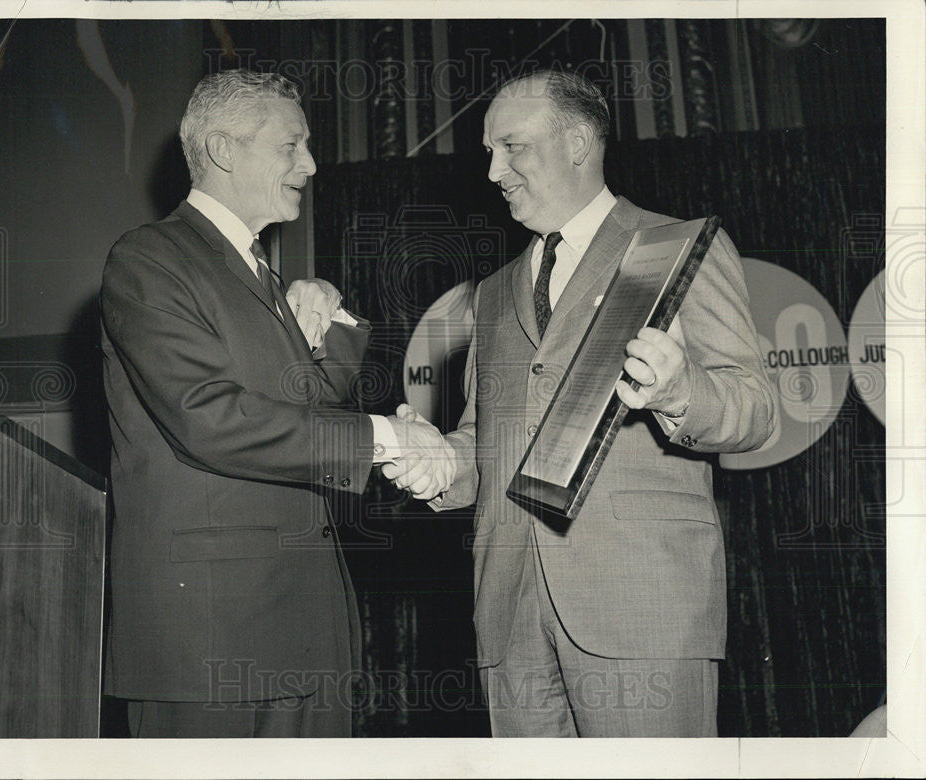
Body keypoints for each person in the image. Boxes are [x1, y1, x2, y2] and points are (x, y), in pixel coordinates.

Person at [384, 69, 778, 737]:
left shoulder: (674, 247)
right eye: (488, 152)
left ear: (577, 144)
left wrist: (682, 393)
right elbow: (488, 440)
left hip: (641, 609)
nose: (492, 172)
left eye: (512, 148)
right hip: (511, 617)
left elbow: (758, 411)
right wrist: (442, 463)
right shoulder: (494, 292)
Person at [100, 69, 447, 738]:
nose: (311, 164)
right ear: (225, 150)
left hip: (303, 638)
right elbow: (209, 419)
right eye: (292, 145)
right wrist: (390, 438)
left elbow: (310, 405)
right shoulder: (150, 260)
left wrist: (332, 312)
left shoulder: (263, 278)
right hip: (212, 645)